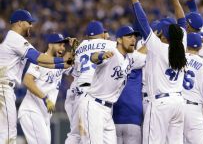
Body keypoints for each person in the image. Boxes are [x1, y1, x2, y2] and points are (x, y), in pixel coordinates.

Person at [124, 0, 186, 143]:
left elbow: (143, 22)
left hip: (160, 104)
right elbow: (183, 22)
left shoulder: (158, 48)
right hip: (179, 102)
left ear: (164, 36)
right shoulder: (182, 45)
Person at [0, 9, 72, 143]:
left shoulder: (13, 39)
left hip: (6, 88)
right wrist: (62, 61)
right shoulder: (14, 38)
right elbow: (37, 58)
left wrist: (64, 63)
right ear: (20, 23)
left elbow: (44, 63)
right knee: (8, 135)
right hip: (3, 88)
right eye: (29, 22)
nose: (31, 26)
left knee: (7, 134)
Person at [78, 25, 146, 144]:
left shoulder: (131, 57)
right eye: (129, 36)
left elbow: (150, 53)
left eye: (134, 37)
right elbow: (93, 57)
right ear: (119, 40)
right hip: (93, 105)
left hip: (108, 111)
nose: (133, 39)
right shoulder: (112, 52)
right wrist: (101, 56)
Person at [65, 20, 116, 144]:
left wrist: (74, 50)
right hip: (95, 95)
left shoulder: (80, 47)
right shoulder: (110, 44)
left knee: (75, 135)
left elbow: (70, 70)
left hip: (80, 93)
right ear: (102, 33)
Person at [18, 33, 72, 144]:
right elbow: (27, 80)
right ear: (50, 45)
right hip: (31, 110)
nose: (62, 48)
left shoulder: (59, 63)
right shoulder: (40, 60)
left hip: (44, 115)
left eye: (64, 46)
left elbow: (71, 63)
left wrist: (74, 47)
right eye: (60, 45)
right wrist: (45, 98)